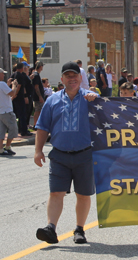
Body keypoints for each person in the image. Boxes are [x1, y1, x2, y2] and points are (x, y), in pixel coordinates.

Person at [34, 61, 98, 244]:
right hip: (59, 154)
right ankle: (51, 228)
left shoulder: (90, 97)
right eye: (68, 75)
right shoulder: (52, 100)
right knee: (56, 192)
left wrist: (96, 100)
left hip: (85, 154)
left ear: (80, 78)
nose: (72, 78)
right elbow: (42, 127)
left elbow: (106, 114)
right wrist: (38, 151)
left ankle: (79, 229)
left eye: (75, 75)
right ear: (61, 79)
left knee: (83, 194)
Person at [0, 68, 19, 156]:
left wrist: (8, 85)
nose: (4, 75)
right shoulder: (2, 84)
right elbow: (12, 93)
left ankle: (1, 149)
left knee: (1, 131)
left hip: (1, 112)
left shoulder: (3, 85)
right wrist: (14, 85)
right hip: (7, 111)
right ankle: (7, 147)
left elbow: (4, 95)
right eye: (2, 73)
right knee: (13, 129)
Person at [11, 63, 31, 137]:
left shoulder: (13, 74)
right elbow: (19, 86)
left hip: (15, 97)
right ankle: (24, 131)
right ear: (22, 68)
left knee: (18, 114)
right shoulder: (20, 75)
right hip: (19, 97)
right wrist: (15, 94)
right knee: (22, 114)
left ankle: (19, 129)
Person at [32, 61, 45, 128]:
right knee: (38, 110)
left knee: (39, 110)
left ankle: (36, 124)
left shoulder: (35, 74)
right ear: (40, 67)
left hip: (37, 96)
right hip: (37, 97)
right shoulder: (36, 75)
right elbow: (36, 87)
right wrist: (40, 96)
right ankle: (36, 124)